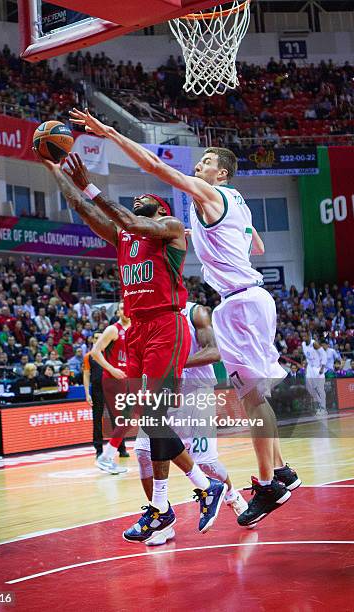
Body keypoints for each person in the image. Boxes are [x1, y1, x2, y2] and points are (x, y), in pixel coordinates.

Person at [70, 109, 301, 528]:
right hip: (245, 300)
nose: (198, 167)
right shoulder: (231, 206)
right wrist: (211, 236)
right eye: (198, 164)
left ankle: (269, 484)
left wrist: (108, 134)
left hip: (240, 303)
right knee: (252, 394)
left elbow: (155, 165)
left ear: (222, 174)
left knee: (252, 397)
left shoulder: (210, 195)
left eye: (206, 164)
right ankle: (281, 471)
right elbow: (259, 247)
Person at [35, 148, 229, 544]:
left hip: (164, 325)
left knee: (153, 418)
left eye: (145, 202)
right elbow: (84, 209)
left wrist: (90, 182)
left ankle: (199, 488)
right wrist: (56, 171)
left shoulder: (170, 228)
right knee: (151, 422)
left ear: (156, 211)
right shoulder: (125, 236)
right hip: (138, 330)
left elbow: (123, 216)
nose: (136, 202)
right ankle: (167, 505)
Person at [134, 301, 248, 545]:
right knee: (143, 452)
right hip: (163, 392)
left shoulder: (196, 312)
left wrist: (175, 362)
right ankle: (162, 519)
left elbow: (215, 352)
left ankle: (231, 495)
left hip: (196, 394)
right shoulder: (149, 317)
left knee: (205, 463)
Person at [91, 301, 131, 473]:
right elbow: (95, 352)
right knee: (125, 419)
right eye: (121, 308)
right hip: (113, 380)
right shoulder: (113, 329)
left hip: (130, 379)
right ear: (117, 312)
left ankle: (107, 456)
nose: (125, 310)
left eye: (128, 306)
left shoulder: (137, 328)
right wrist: (111, 369)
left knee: (129, 418)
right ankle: (106, 457)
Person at [302, 334, 327, 415]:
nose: (304, 338)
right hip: (310, 368)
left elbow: (324, 354)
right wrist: (306, 363)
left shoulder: (314, 344)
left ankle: (323, 408)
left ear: (309, 337)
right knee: (310, 387)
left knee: (320, 389)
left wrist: (322, 368)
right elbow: (307, 356)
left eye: (305, 336)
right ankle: (319, 405)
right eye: (303, 336)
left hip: (318, 368)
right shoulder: (303, 344)